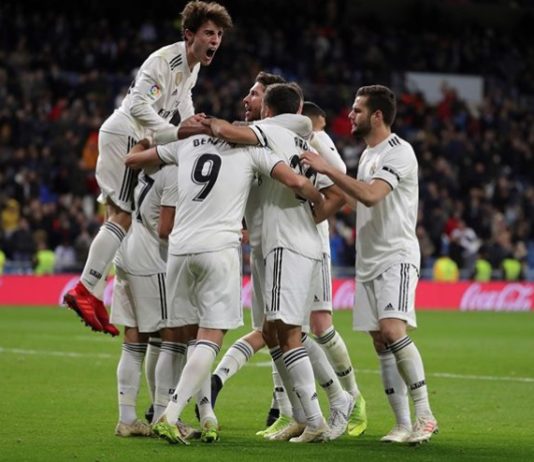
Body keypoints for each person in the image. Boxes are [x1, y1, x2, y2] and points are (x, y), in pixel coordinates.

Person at [124, 116, 325, 445]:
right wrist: (319, 197)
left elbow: (134, 161)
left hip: (179, 251)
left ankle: (203, 415)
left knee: (177, 339)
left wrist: (152, 137)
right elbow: (297, 183)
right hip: (218, 250)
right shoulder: (252, 151)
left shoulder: (187, 144)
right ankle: (170, 415)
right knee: (209, 338)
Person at [63, 1, 233, 336]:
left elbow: (183, 102)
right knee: (124, 216)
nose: (215, 40)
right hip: (127, 133)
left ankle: (94, 293)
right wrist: (175, 133)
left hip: (135, 135)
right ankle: (83, 289)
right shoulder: (163, 61)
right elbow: (139, 106)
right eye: (209, 33)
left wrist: (192, 127)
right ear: (189, 35)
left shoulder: (192, 67)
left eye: (219, 34)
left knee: (116, 217)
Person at [204, 83, 357, 442]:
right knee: (275, 332)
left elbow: (228, 131)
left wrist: (203, 122)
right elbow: (337, 195)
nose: (247, 102)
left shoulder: (269, 131)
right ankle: (304, 416)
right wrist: (313, 215)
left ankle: (324, 412)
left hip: (284, 244)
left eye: (255, 97)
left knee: (287, 331)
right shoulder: (300, 143)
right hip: (275, 243)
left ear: (269, 110)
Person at [301, 85, 438, 444]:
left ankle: (425, 415)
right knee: (380, 341)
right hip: (369, 258)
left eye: (357, 109)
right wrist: (315, 193)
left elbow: (373, 195)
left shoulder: (399, 151)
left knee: (393, 330)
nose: (350, 114)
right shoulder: (367, 156)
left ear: (377, 116)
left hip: (396, 255)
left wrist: (328, 169)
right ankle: (402, 424)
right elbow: (356, 200)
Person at [111, 162, 177, 438]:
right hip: (153, 260)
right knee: (171, 337)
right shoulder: (172, 172)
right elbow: (165, 229)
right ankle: (164, 418)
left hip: (125, 252)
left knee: (134, 337)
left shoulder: (137, 170)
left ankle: (127, 418)